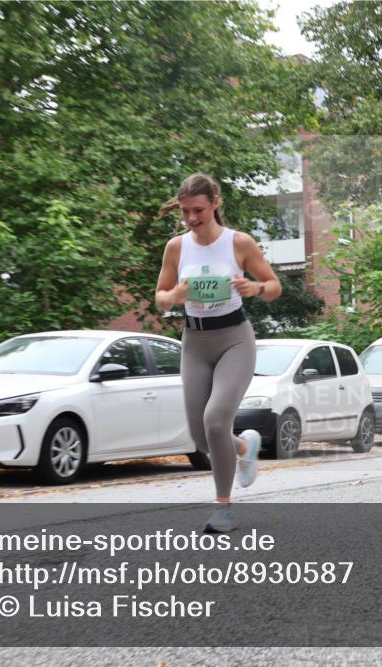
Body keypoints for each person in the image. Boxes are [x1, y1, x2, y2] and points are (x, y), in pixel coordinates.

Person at [154, 173, 282, 533]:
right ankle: (243, 448)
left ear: (214, 204)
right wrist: (173, 298)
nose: (192, 219)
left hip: (234, 340)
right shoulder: (176, 247)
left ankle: (222, 508)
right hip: (194, 343)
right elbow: (160, 295)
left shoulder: (238, 243)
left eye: (198, 211)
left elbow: (274, 287)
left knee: (215, 421)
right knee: (199, 437)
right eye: (185, 212)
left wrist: (254, 288)